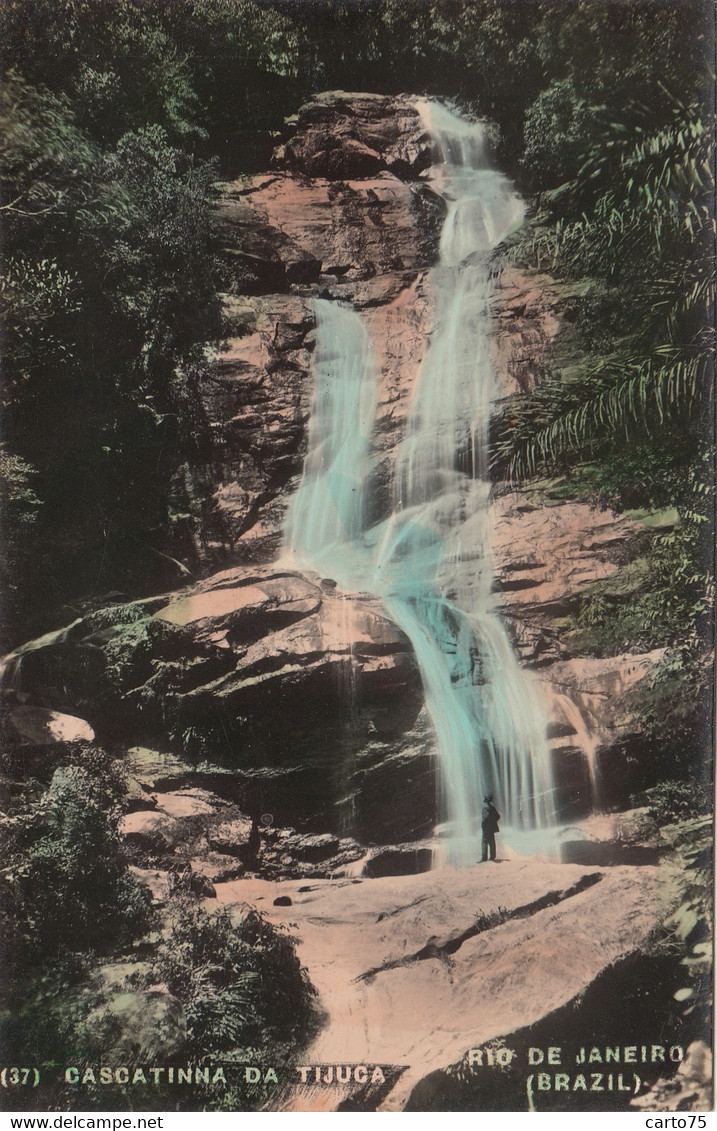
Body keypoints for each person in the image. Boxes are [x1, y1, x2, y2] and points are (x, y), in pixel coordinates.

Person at [481, 794, 500, 862]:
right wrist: (493, 822)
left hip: (486, 827)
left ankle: (484, 858)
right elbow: (498, 816)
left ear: (485, 801)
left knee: (484, 842)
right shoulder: (492, 808)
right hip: (491, 827)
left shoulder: (484, 808)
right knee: (492, 842)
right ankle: (492, 856)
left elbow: (484, 818)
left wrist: (483, 825)